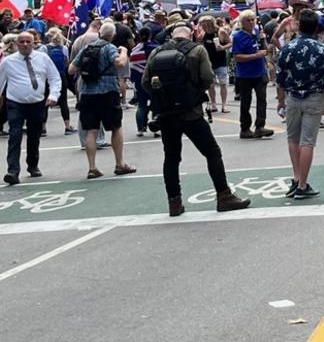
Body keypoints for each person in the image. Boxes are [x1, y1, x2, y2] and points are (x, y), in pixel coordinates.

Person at [144, 21, 251, 216]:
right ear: (191, 34)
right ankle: (223, 195)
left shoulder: (156, 53)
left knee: (171, 157)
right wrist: (191, 93)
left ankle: (174, 202)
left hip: (167, 114)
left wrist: (164, 98)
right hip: (191, 112)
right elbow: (208, 78)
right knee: (212, 152)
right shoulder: (198, 50)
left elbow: (146, 82)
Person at [275, 9, 324, 200]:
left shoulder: (287, 48)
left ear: (299, 26)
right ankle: (302, 184)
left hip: (293, 97)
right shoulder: (323, 50)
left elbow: (280, 79)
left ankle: (296, 177)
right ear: (317, 27)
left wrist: (281, 101)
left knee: (293, 139)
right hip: (314, 97)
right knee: (308, 141)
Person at [68, 22, 136, 179]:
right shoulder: (110, 48)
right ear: (113, 35)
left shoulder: (87, 48)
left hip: (87, 92)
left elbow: (71, 69)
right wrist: (124, 52)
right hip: (107, 91)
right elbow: (119, 63)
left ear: (99, 33)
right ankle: (119, 164)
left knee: (91, 130)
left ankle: (92, 167)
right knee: (116, 127)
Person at [1, 31, 61, 185]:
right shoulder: (8, 62)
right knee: (15, 135)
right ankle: (12, 171)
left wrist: (53, 95)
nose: (25, 45)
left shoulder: (43, 58)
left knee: (34, 135)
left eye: (29, 42)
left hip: (37, 103)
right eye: (22, 42)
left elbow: (54, 78)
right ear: (17, 44)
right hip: (15, 103)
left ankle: (33, 165)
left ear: (34, 43)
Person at [231, 11, 274, 139]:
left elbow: (266, 50)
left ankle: (260, 126)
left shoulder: (256, 32)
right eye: (248, 20)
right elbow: (237, 57)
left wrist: (263, 39)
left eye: (252, 20)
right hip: (245, 74)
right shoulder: (238, 36)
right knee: (246, 101)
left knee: (262, 100)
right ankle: (245, 127)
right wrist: (255, 56)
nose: (251, 22)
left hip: (259, 71)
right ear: (242, 22)